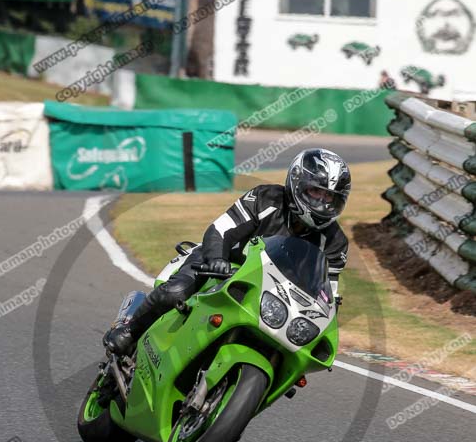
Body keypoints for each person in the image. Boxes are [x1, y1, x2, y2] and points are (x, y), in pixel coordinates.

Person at [103, 148, 351, 357]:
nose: (323, 202)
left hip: (271, 297)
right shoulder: (266, 199)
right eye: (316, 191)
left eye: (330, 196)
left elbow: (329, 296)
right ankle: (130, 329)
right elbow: (221, 230)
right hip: (221, 265)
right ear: (297, 183)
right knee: (175, 291)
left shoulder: (335, 242)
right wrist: (217, 260)